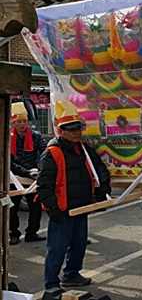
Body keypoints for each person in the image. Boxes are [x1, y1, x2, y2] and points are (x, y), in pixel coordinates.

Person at [37, 100, 112, 290]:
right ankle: (51, 284)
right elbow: (44, 184)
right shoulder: (51, 153)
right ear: (61, 130)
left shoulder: (84, 148)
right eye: (71, 129)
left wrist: (104, 185)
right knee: (57, 249)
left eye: (78, 129)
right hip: (62, 208)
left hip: (81, 206)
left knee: (79, 244)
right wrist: (52, 207)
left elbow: (99, 167)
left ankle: (72, 274)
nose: (76, 133)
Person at [9, 102, 48, 245]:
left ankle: (32, 232)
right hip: (14, 177)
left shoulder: (36, 136)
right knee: (12, 208)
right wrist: (27, 171)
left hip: (33, 176)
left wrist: (40, 169)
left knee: (36, 208)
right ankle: (14, 233)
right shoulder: (8, 137)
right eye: (19, 121)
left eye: (24, 121)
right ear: (13, 122)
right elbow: (10, 161)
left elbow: (45, 153)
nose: (22, 124)